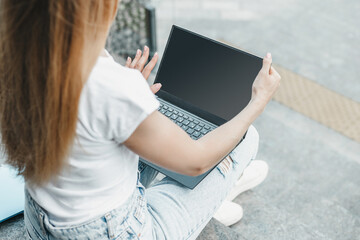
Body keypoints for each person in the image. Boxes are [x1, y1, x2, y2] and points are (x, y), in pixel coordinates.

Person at [0, 1, 280, 239]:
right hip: (114, 231)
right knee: (246, 138)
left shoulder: (16, 60)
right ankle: (217, 195)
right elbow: (196, 161)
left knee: (147, 132)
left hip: (42, 223)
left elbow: (86, 116)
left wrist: (130, 101)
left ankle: (212, 197)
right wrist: (257, 102)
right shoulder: (110, 85)